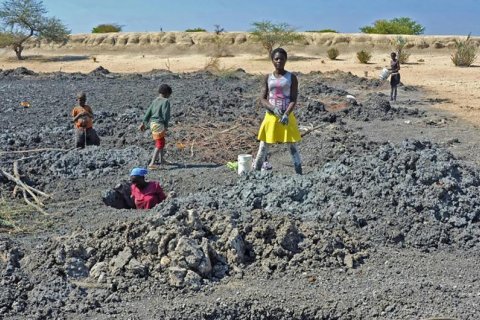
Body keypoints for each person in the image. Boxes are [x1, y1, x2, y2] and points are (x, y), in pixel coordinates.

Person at [253, 47, 302, 175]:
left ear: (286, 60)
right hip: (271, 116)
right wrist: (273, 108)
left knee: (292, 146)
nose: (279, 61)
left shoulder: (292, 77)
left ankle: (299, 175)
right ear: (272, 61)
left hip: (287, 116)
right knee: (263, 146)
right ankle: (255, 175)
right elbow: (263, 99)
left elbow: (293, 99)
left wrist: (286, 114)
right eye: (276, 59)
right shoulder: (268, 78)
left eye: (282, 59)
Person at [140, 84, 172, 169]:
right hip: (159, 124)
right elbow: (166, 115)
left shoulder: (155, 101)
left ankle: (162, 160)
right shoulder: (166, 101)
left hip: (153, 123)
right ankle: (152, 163)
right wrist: (166, 125)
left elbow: (148, 112)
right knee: (159, 143)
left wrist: (144, 122)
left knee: (162, 141)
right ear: (167, 93)